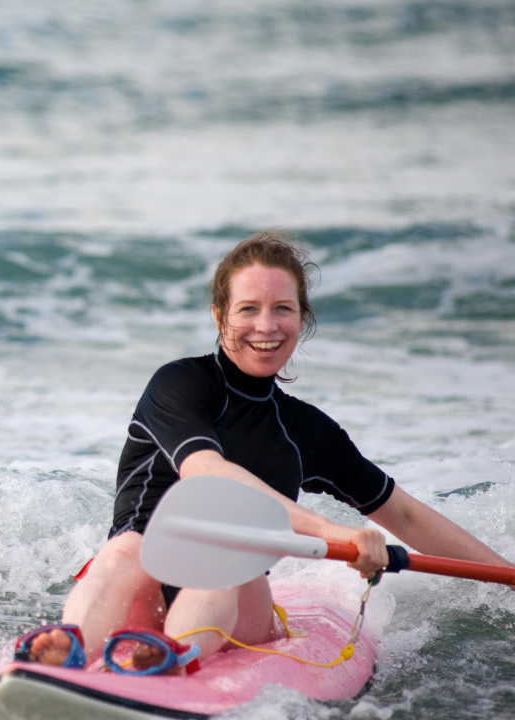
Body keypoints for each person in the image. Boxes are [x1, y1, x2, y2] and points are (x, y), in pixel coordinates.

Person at [27, 229, 515, 668]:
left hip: (235, 608)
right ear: (220, 317)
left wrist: (508, 577)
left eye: (283, 308)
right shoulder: (179, 386)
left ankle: (171, 660)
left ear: (302, 319)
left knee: (221, 554)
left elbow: (405, 518)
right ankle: (67, 653)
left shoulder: (306, 430)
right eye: (248, 309)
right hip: (135, 591)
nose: (267, 325)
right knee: (126, 549)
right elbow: (207, 474)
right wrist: (331, 531)